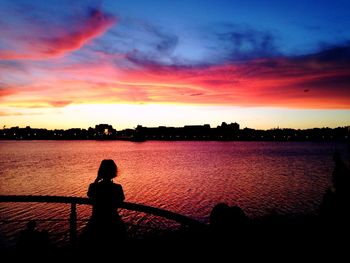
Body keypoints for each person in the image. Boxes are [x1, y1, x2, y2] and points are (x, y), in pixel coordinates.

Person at [80, 159, 127, 250]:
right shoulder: (117, 188)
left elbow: (90, 194)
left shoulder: (93, 186)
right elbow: (121, 200)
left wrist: (96, 180)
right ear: (114, 171)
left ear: (100, 171)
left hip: (96, 222)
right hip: (114, 222)